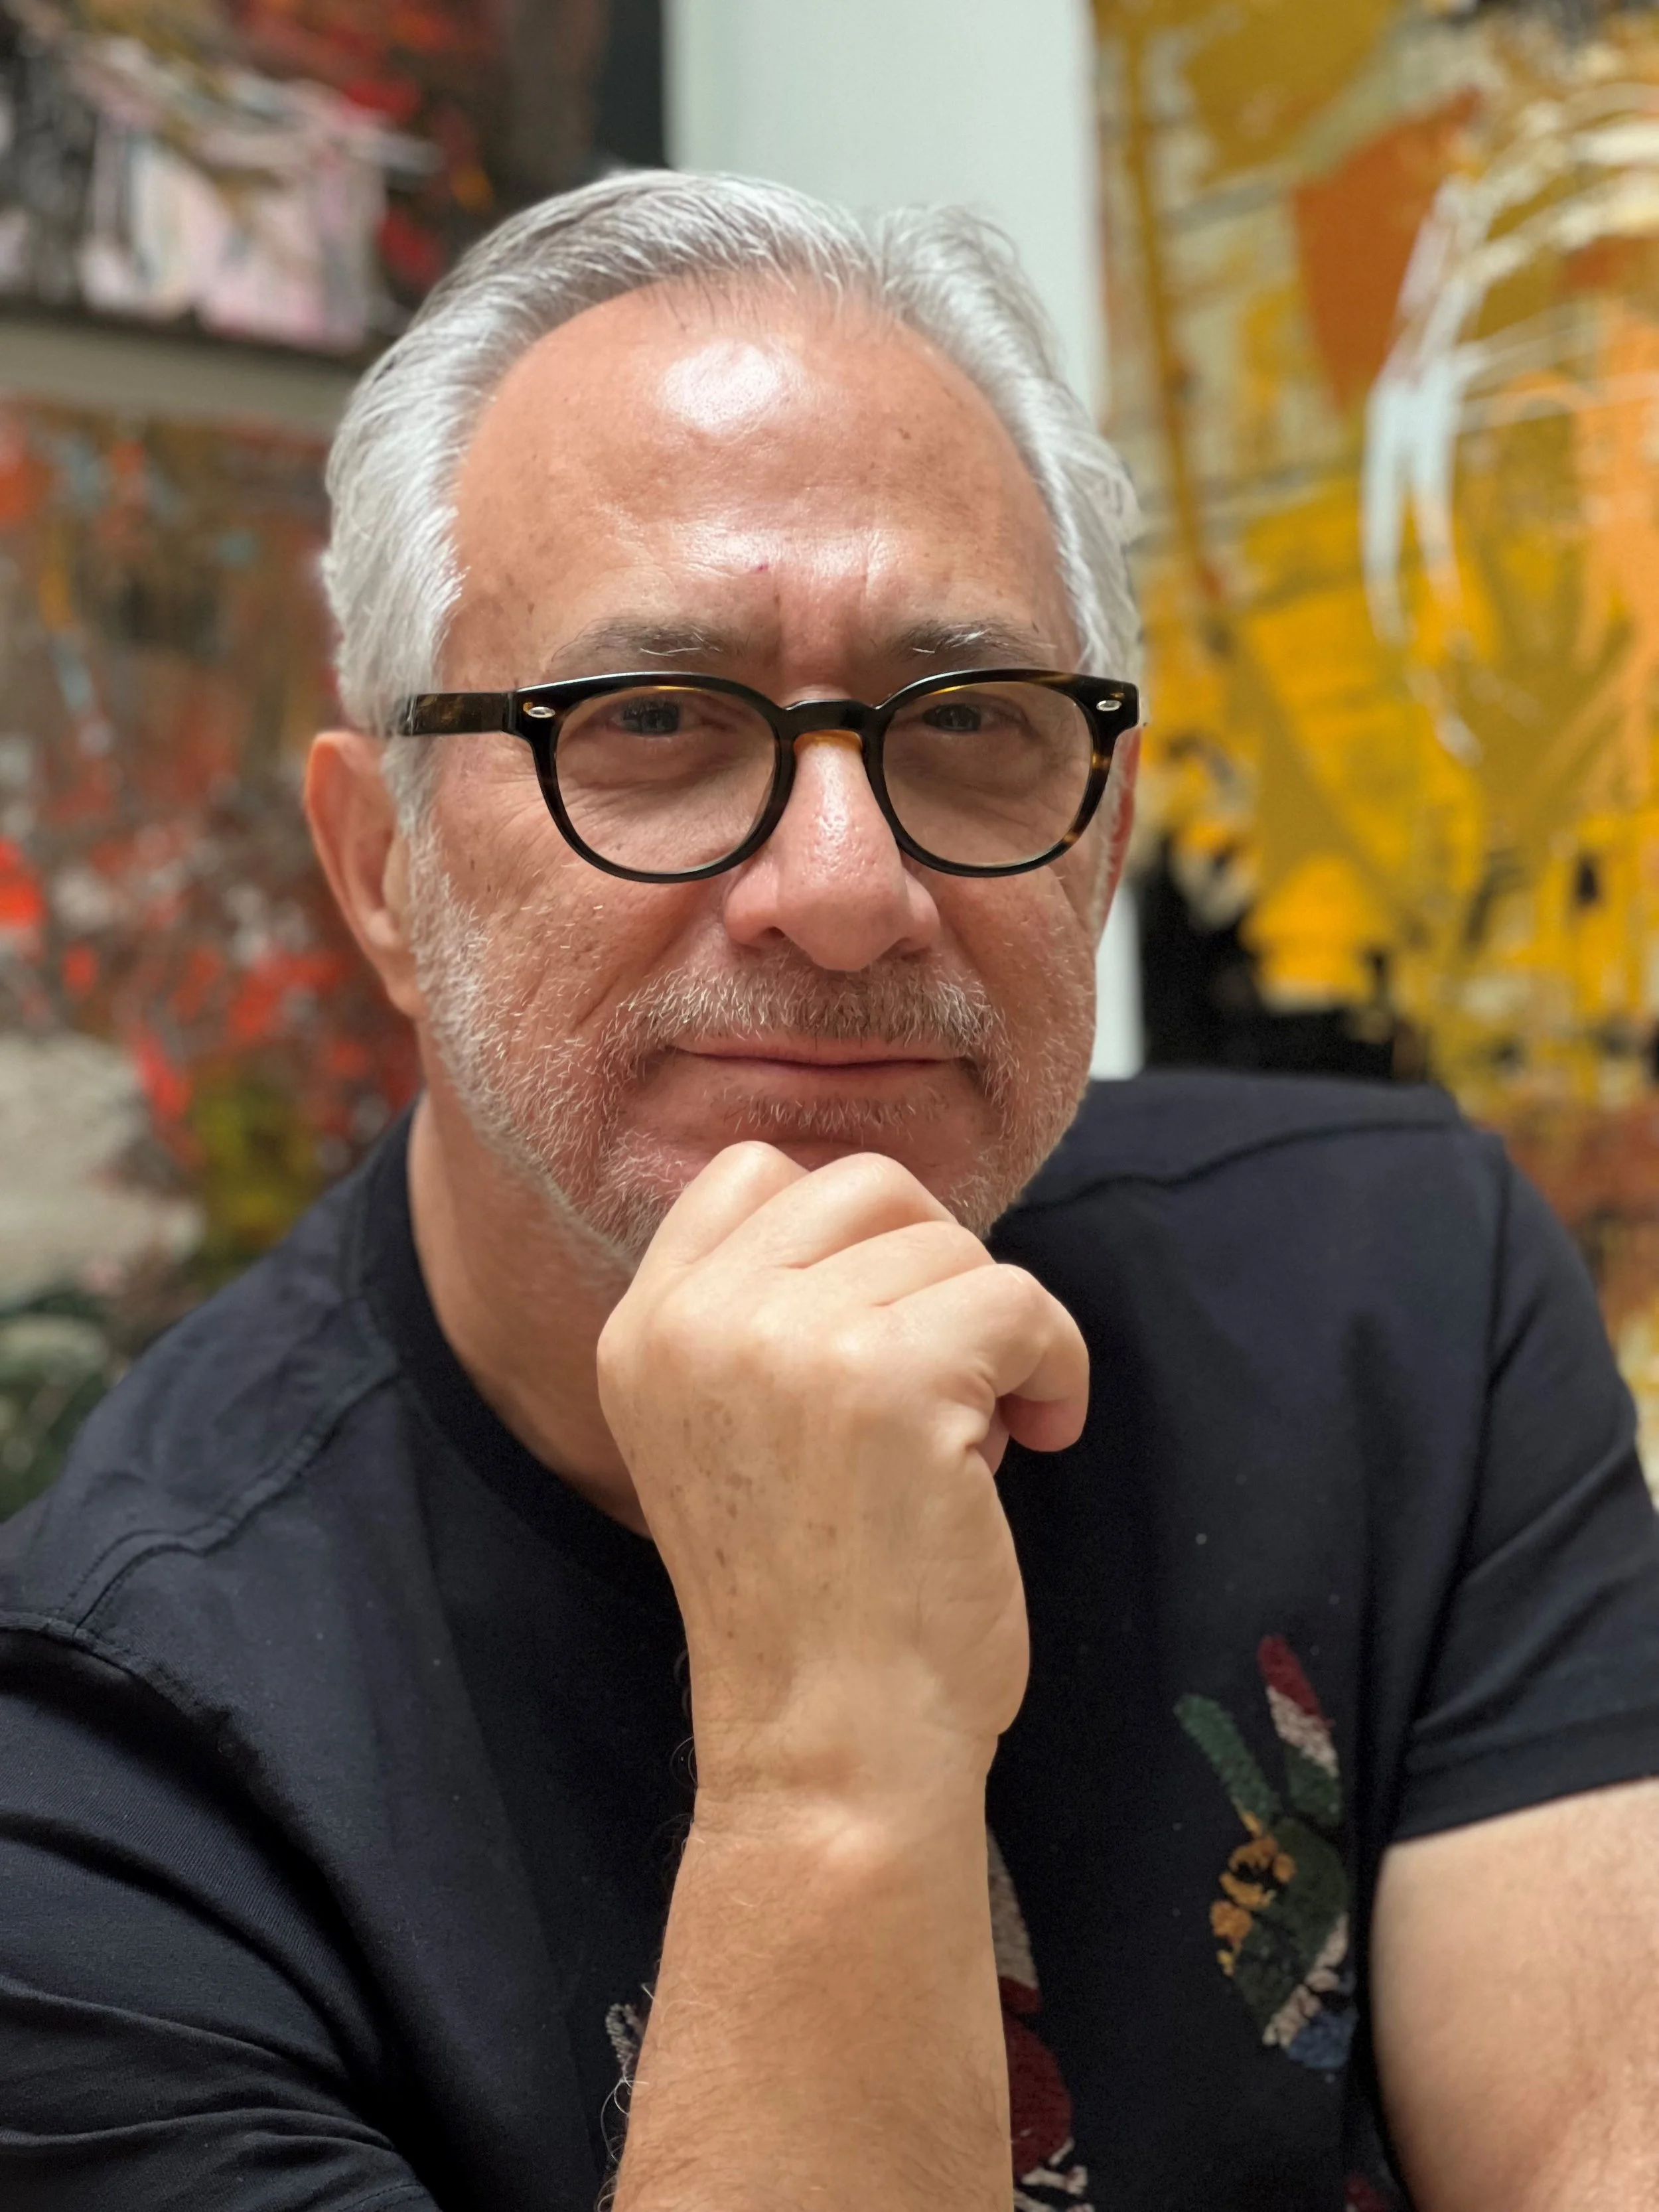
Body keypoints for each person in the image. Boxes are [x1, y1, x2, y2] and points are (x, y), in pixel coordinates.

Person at [2, 171, 1658, 2212]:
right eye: (651, 721)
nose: (849, 885)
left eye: (968, 722)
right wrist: (822, 1756)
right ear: (380, 870)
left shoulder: (1393, 1295)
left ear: (1102, 834)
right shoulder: (97, 1770)